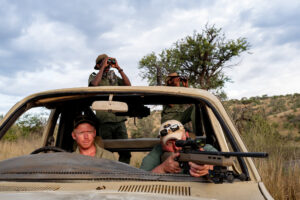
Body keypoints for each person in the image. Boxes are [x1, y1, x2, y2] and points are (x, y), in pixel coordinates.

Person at [88, 54, 131, 164]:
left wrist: (118, 68)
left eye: (108, 62)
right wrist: (102, 68)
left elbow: (128, 85)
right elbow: (93, 86)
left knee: (126, 152)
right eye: (104, 61)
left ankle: (123, 174)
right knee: (106, 152)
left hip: (119, 120)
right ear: (98, 65)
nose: (108, 64)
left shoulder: (114, 76)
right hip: (104, 121)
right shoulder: (94, 76)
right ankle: (108, 175)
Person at [140, 120, 217, 177]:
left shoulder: (205, 148)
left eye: (178, 140)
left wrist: (208, 168)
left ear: (186, 135)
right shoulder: (157, 153)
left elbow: (223, 168)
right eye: (169, 143)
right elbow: (140, 179)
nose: (176, 146)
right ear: (161, 144)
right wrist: (162, 168)